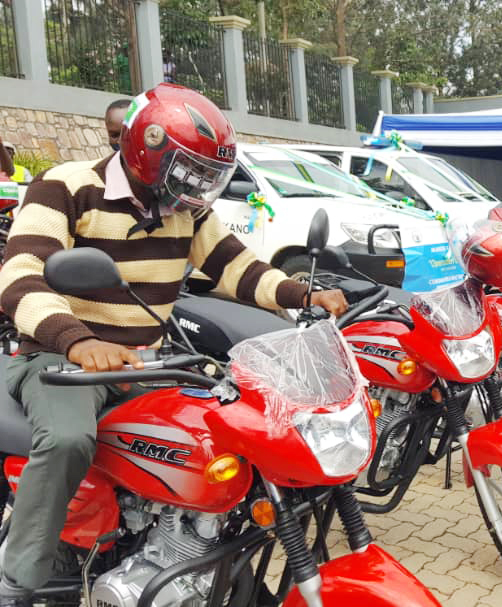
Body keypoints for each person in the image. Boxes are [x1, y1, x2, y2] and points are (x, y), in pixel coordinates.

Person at [0, 84, 348, 607]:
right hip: (59, 358)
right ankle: (18, 580)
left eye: (209, 175)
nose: (202, 185)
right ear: (146, 150)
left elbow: (236, 267)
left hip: (145, 360)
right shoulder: (65, 185)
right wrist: (77, 341)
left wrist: (303, 294)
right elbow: (20, 276)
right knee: (69, 438)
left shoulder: (185, 208)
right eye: (193, 171)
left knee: (227, 434)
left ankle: (187, 548)